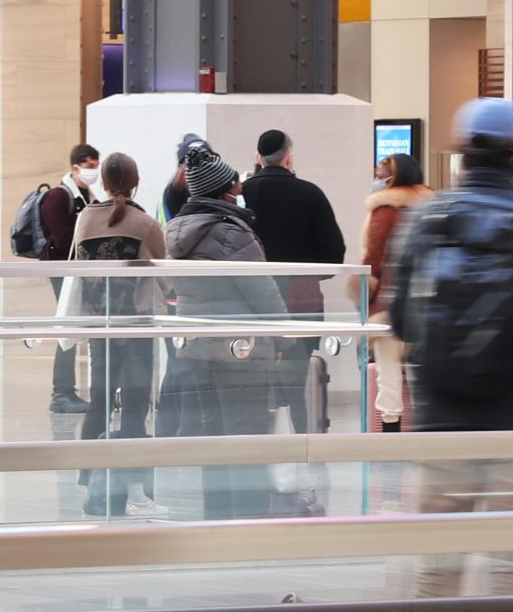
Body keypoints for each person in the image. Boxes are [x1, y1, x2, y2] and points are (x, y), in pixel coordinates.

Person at [387, 99, 513, 597]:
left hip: (441, 422)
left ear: (460, 152)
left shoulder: (425, 220)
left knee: (436, 571)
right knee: (510, 570)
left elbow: (398, 319)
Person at [162, 139, 289, 520]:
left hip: (197, 347)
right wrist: (283, 332)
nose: (240, 190)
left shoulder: (177, 229)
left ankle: (216, 514)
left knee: (214, 431)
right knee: (246, 431)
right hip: (240, 348)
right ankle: (248, 517)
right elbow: (262, 289)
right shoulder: (231, 232)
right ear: (223, 191)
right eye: (235, 185)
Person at [67, 152, 168, 518]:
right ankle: (132, 484)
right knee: (136, 407)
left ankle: (90, 478)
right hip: (137, 326)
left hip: (100, 325)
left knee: (99, 400)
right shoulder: (144, 223)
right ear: (135, 182)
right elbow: (166, 273)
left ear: (104, 183)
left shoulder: (84, 218)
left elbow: (77, 267)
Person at [241, 129, 348, 440]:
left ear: (258, 158)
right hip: (301, 301)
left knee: (252, 380)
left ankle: (256, 443)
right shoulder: (311, 194)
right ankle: (305, 441)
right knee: (299, 376)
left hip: (251, 304)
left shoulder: (242, 195)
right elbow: (333, 254)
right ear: (288, 157)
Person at [361, 153, 434, 433]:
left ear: (394, 177)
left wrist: (365, 294)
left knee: (388, 373)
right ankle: (427, 427)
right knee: (422, 372)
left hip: (389, 305)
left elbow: (373, 259)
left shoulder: (385, 210)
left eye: (381, 175)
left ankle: (391, 431)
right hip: (428, 303)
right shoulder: (433, 208)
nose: (378, 180)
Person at [38, 143, 102, 414]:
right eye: (89, 167)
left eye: (96, 167)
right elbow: (63, 240)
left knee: (74, 327)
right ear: (75, 166)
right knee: (68, 327)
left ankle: (66, 391)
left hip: (78, 270)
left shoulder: (87, 195)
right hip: (62, 270)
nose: (93, 172)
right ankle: (61, 392)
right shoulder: (59, 196)